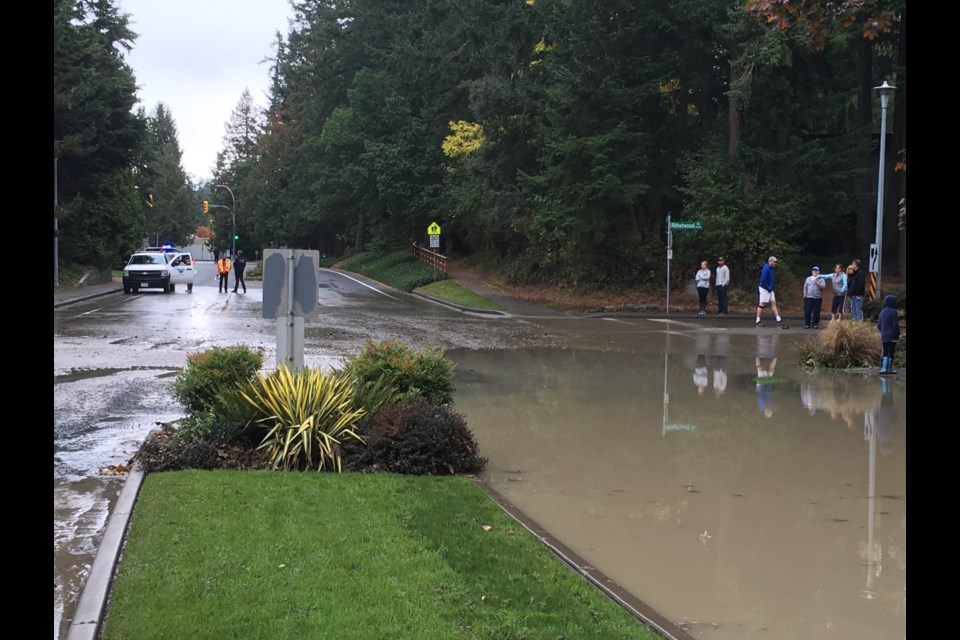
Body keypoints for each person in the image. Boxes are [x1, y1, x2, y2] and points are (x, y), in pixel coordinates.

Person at [755, 256, 787, 328]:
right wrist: (767, 287)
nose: (775, 263)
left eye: (775, 262)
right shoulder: (766, 269)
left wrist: (771, 288)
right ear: (770, 261)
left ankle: (778, 319)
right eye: (774, 261)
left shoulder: (772, 269)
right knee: (762, 304)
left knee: (773, 302)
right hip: (764, 288)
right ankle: (757, 320)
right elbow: (763, 280)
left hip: (770, 289)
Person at [876, 294, 900, 374]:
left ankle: (883, 368)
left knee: (885, 351)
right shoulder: (893, 312)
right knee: (891, 351)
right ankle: (889, 368)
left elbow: (879, 324)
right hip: (893, 335)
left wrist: (882, 331)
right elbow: (895, 325)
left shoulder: (882, 312)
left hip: (884, 335)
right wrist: (897, 333)